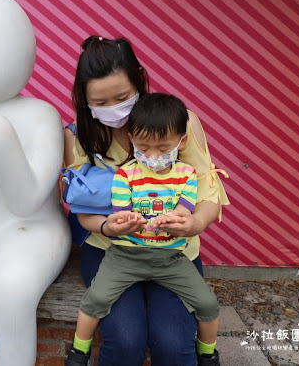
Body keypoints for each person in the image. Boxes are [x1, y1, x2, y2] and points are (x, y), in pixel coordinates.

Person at [63, 35, 229, 366]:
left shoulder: (180, 121)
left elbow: (208, 191)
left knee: (173, 345)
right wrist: (109, 225)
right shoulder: (79, 134)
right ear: (84, 99)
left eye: (122, 97)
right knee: (125, 343)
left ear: (139, 80)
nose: (113, 110)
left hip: (173, 251)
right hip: (110, 250)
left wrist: (195, 222)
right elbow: (82, 210)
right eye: (100, 102)